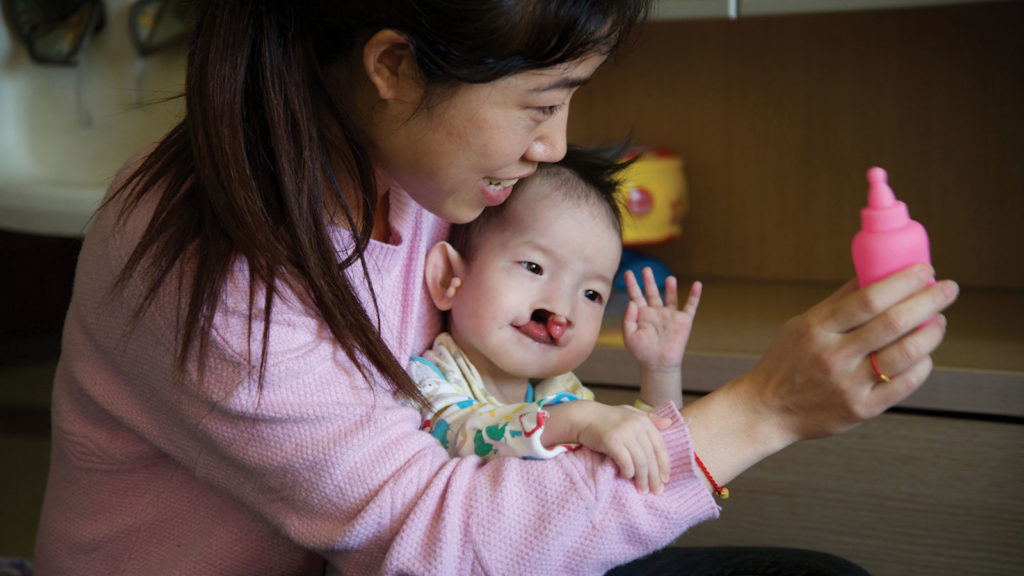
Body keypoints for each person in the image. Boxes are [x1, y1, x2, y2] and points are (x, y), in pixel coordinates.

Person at [32, 1, 958, 575]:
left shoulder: (422, 178)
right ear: (392, 66)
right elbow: (432, 544)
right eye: (541, 103)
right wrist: (765, 410)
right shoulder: (218, 262)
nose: (553, 144)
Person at [408, 146, 702, 497]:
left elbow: (648, 462)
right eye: (534, 267)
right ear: (448, 278)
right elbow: (466, 435)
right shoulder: (427, 381)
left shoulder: (562, 392)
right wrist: (578, 421)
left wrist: (660, 372)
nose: (561, 307)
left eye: (591, 294)